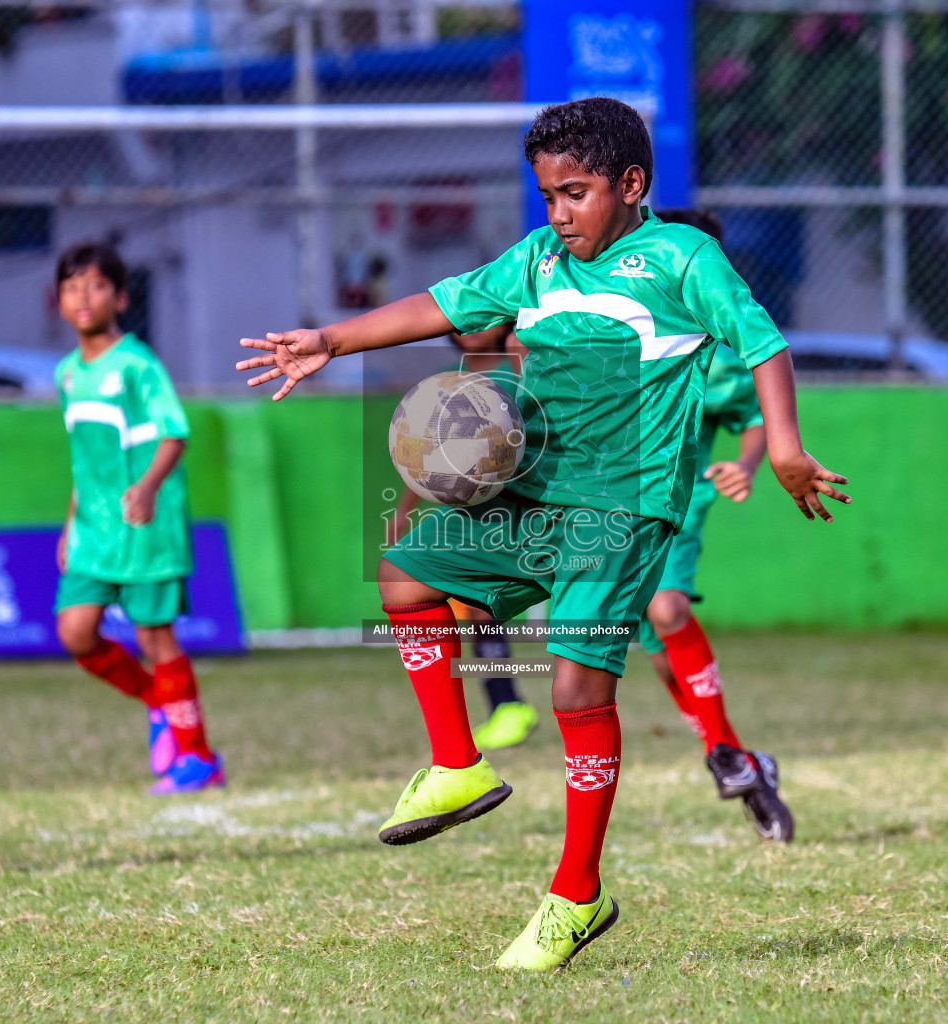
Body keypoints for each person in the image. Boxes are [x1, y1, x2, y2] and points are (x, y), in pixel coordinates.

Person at [238, 98, 848, 970]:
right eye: (548, 196)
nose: (559, 213)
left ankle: (576, 895)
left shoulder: (682, 257)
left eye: (577, 192)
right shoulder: (536, 261)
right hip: (535, 494)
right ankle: (457, 762)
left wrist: (781, 448)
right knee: (404, 573)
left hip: (626, 509)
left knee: (572, 693)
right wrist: (331, 340)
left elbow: (764, 344)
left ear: (631, 185)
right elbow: (440, 304)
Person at [635, 205, 793, 843]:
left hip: (677, 501)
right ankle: (743, 761)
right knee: (662, 658)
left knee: (668, 610)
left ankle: (728, 756)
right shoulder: (626, 329)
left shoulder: (721, 354)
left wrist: (748, 464)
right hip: (611, 507)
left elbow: (754, 415)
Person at [51, 241, 224, 795]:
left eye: (97, 285)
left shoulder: (138, 364)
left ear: (121, 297)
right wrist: (68, 522)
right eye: (72, 286)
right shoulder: (65, 374)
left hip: (146, 525)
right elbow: (86, 461)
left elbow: (175, 431)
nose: (84, 296)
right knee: (76, 632)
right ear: (58, 300)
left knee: (156, 638)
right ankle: (159, 702)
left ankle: (199, 761)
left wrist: (148, 487)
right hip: (94, 530)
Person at [390, 325, 539, 751]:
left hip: (513, 510)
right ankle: (504, 705)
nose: (471, 329)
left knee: (480, 609)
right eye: (462, 321)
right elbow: (420, 453)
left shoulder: (517, 373)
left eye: (482, 319)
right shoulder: (445, 381)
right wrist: (404, 512)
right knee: (468, 611)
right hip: (462, 512)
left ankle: (509, 706)